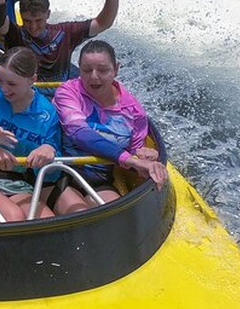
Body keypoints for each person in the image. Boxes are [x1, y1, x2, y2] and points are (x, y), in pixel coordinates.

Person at [0, 47, 86, 222]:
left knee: (45, 223)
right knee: (12, 217)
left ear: (32, 80)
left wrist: (48, 150)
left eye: (12, 84)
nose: (3, 89)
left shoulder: (47, 113)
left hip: (20, 183)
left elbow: (51, 174)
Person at [53, 40, 168, 206]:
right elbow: (79, 133)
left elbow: (136, 152)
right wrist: (131, 160)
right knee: (78, 212)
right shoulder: (68, 92)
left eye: (102, 70)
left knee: (113, 212)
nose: (94, 76)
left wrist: (145, 155)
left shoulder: (134, 112)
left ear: (116, 69)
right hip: (61, 174)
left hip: (100, 181)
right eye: (86, 70)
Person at [2, 0, 133, 83]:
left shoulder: (64, 32)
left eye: (38, 20)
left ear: (47, 14)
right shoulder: (15, 34)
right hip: (30, 98)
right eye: (27, 21)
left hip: (64, 97)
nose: (33, 26)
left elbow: (102, 23)